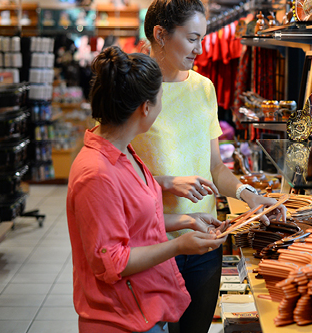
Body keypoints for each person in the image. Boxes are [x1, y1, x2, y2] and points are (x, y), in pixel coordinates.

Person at [131, 0, 286, 333]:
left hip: (205, 241)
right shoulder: (132, 90)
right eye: (192, 39)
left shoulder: (203, 88)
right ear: (160, 35)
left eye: (203, 39)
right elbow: (113, 169)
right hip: (153, 244)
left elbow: (216, 167)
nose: (200, 50)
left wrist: (249, 195)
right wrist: (165, 181)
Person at [67, 47, 227, 333]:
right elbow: (112, 262)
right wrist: (179, 245)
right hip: (119, 317)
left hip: (142, 306)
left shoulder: (125, 152)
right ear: (146, 107)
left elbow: (131, 224)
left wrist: (189, 221)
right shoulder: (97, 172)